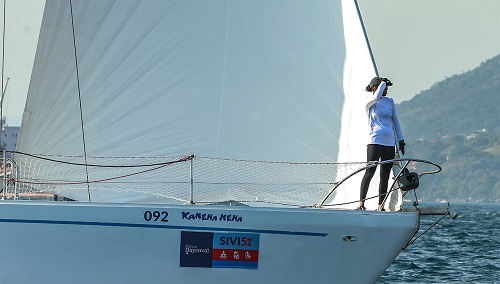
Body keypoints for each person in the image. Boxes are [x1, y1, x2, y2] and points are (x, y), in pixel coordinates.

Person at [357, 76, 405, 211]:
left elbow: (396, 121)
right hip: (375, 141)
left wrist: (401, 140)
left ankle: (381, 205)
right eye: (384, 88)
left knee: (385, 175)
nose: (386, 90)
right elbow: (376, 96)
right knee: (370, 172)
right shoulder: (370, 101)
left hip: (389, 143)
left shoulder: (389, 101)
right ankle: (361, 204)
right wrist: (382, 83)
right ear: (375, 88)